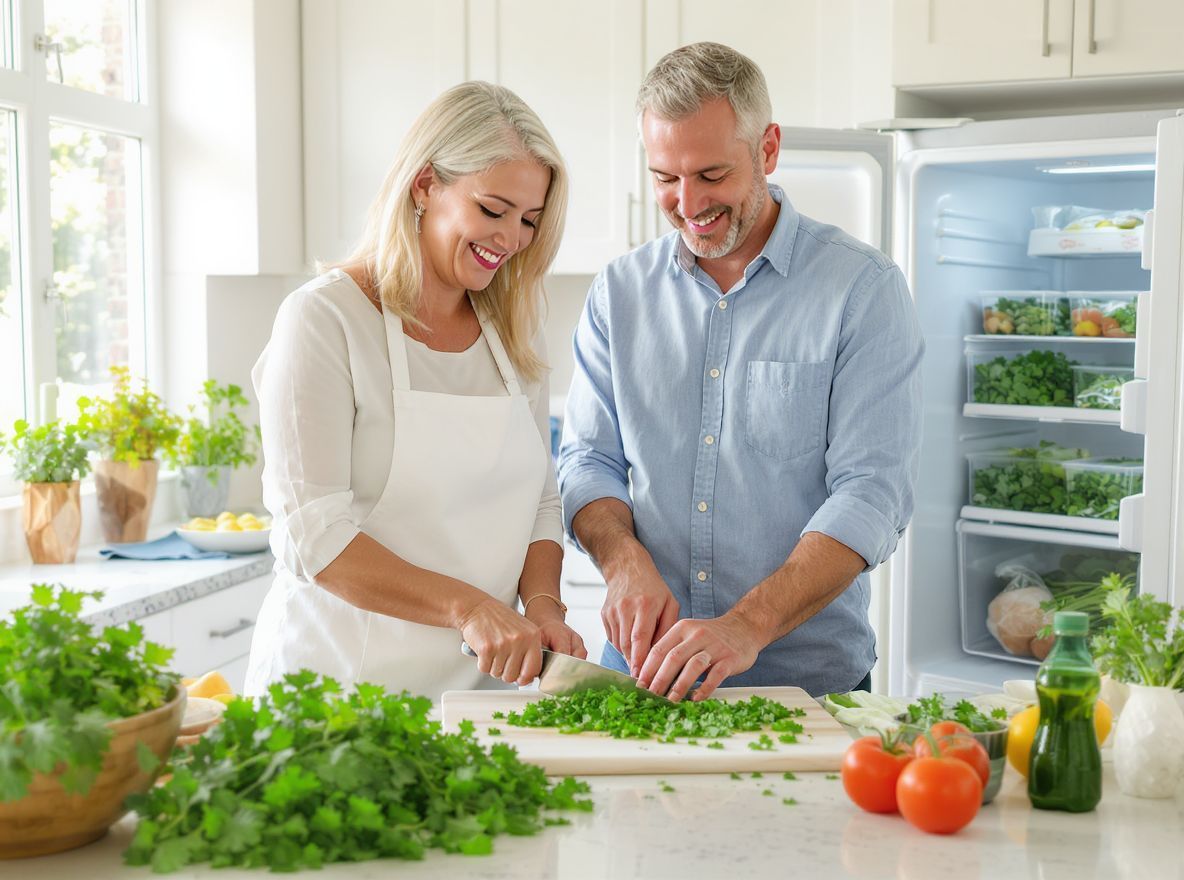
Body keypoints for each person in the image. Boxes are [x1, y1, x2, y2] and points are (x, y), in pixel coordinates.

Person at [558, 42, 923, 701]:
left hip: (808, 689)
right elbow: (587, 461)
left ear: (769, 149)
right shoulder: (619, 293)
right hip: (642, 680)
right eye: (665, 177)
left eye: (712, 174)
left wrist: (745, 626)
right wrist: (622, 563)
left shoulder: (862, 291)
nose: (688, 201)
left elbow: (873, 491)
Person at [245, 81, 585, 702]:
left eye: (530, 220)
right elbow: (312, 537)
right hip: (338, 697)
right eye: (493, 209)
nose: (511, 239)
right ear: (425, 186)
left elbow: (539, 499)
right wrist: (469, 608)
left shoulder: (511, 332)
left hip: (476, 698)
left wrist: (544, 605)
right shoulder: (326, 320)